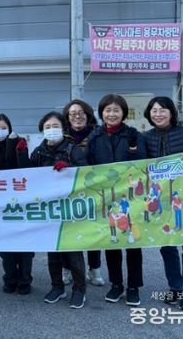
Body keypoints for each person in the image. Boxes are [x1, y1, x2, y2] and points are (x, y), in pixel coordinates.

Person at [143, 95, 183, 311]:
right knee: (168, 247)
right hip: (161, 204)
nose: (158, 114)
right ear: (149, 114)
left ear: (172, 113)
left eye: (162, 110)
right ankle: (176, 287)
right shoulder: (146, 138)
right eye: (154, 110)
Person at [87, 94, 146, 307]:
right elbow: (88, 166)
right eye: (107, 110)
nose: (111, 114)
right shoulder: (94, 137)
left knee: (132, 243)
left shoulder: (133, 135)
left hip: (131, 198)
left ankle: (133, 287)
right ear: (101, 113)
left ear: (123, 113)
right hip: (105, 198)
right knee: (112, 242)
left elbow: (142, 163)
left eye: (116, 110)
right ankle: (116, 284)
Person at [29, 111, 88, 309]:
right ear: (42, 130)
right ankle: (57, 286)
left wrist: (69, 168)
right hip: (49, 208)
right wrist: (20, 153)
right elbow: (29, 176)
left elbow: (86, 173)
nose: (51, 130)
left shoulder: (72, 149)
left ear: (63, 129)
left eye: (55, 126)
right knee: (53, 252)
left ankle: (79, 290)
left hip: (70, 208)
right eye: (47, 127)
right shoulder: (38, 152)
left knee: (73, 252)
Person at [0, 113, 33, 295]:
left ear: (10, 129)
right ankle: (10, 278)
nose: (0, 131)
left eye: (4, 128)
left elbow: (23, 169)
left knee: (25, 244)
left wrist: (14, 147)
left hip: (20, 203)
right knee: (5, 245)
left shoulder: (19, 143)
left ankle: (25, 280)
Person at [62, 99, 105, 287]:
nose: (77, 116)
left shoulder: (98, 135)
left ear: (88, 115)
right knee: (68, 231)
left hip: (92, 190)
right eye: (72, 113)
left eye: (81, 113)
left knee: (93, 231)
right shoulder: (61, 136)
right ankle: (67, 268)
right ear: (67, 117)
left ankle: (94, 268)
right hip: (68, 192)